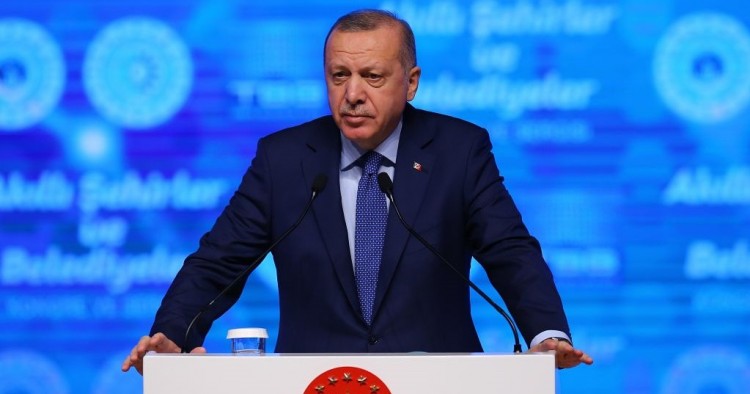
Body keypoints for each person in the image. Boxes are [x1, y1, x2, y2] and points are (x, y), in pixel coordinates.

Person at [122, 9, 593, 375]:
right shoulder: (284, 159)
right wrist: (172, 338)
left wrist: (545, 334)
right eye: (338, 75)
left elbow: (510, 251)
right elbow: (217, 264)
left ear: (410, 83)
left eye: (372, 76)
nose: (352, 94)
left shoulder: (459, 150)